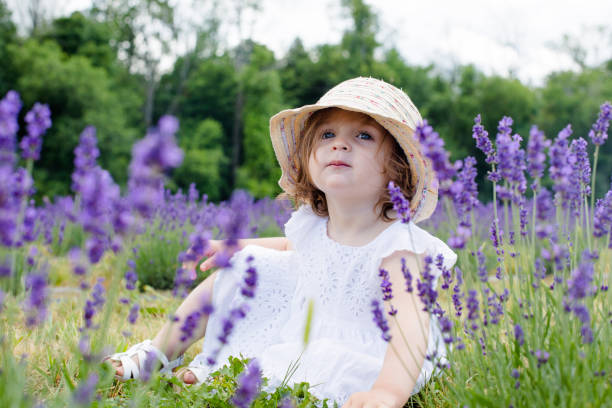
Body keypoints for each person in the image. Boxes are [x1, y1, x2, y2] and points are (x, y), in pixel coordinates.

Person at [105, 77, 457, 407]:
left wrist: (387, 392)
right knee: (245, 266)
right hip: (306, 319)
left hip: (370, 349)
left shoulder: (398, 246)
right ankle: (160, 351)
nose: (340, 143)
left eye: (364, 136)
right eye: (327, 134)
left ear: (397, 166)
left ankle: (222, 371)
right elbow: (295, 251)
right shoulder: (313, 224)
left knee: (306, 370)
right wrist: (238, 246)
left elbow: (410, 328)